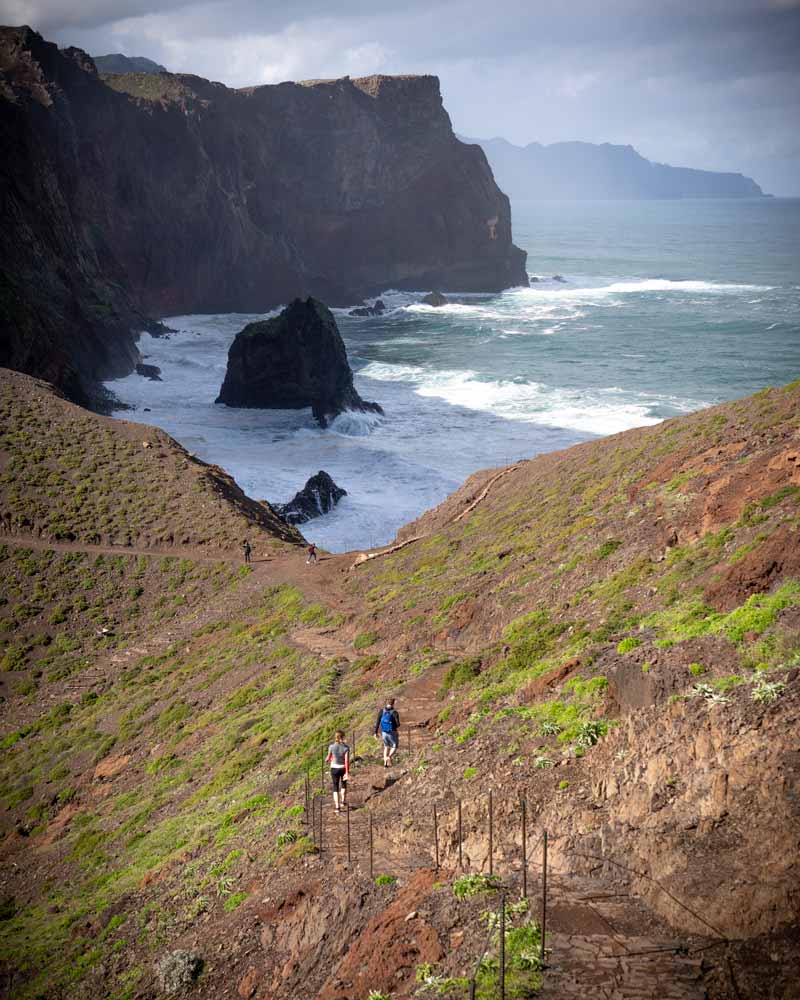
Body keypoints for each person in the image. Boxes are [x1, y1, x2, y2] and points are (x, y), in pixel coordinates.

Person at [325, 730, 350, 813]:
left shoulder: (331, 747)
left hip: (334, 768)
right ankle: (343, 802)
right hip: (343, 768)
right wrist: (347, 772)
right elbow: (346, 761)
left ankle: (337, 807)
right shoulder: (346, 748)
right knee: (343, 785)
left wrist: (327, 760)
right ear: (342, 737)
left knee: (335, 786)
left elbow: (328, 758)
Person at [374, 697, 400, 767]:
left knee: (386, 747)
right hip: (392, 731)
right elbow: (398, 724)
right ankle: (389, 757)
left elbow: (378, 722)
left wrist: (375, 732)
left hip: (384, 732)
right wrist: (393, 727)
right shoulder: (394, 712)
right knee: (394, 746)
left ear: (387, 703)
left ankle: (385, 764)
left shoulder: (382, 711)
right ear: (393, 703)